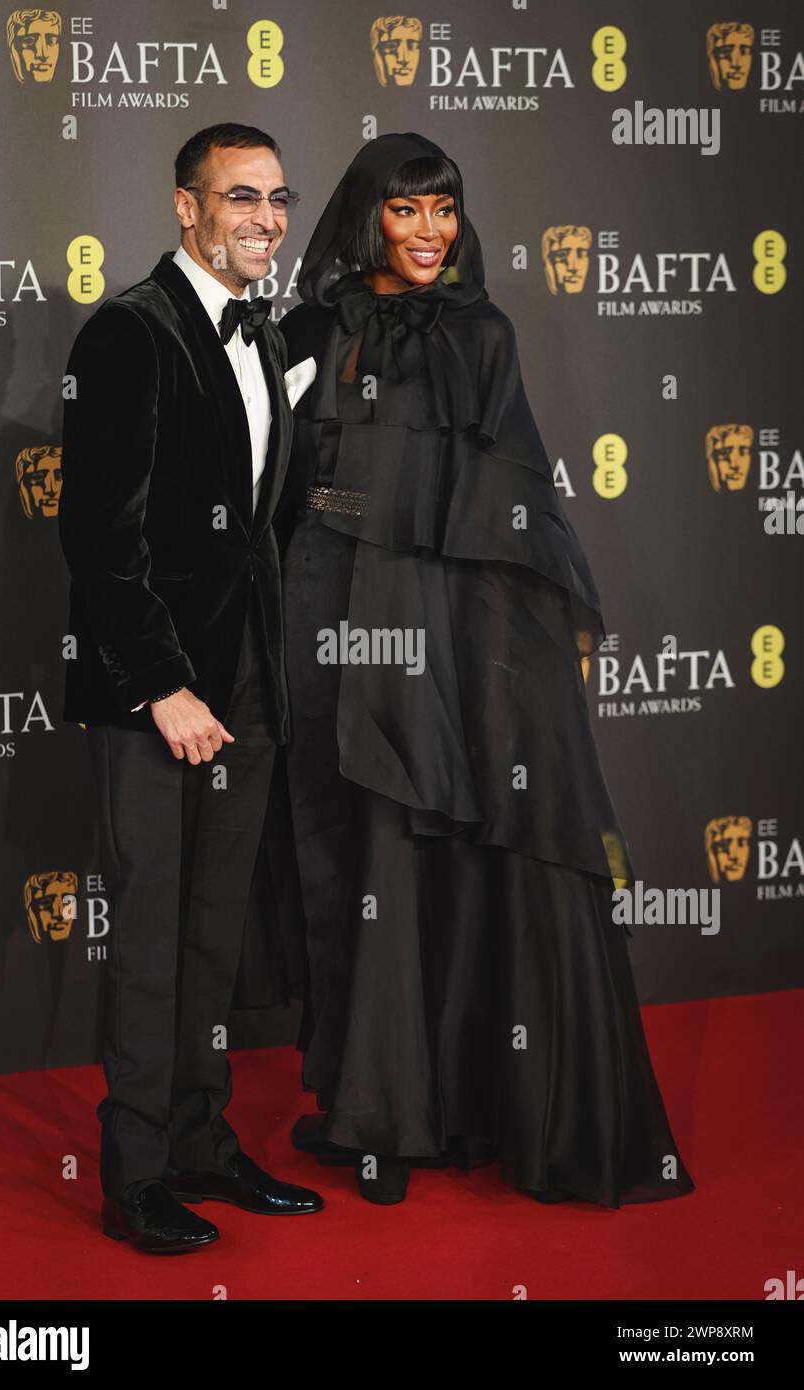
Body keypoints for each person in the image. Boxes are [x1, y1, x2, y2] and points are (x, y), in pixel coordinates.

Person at [278, 132, 695, 1209]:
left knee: (419, 844)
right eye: (406, 211)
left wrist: (533, 641)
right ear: (367, 216)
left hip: (438, 609)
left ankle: (417, 1111)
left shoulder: (484, 331)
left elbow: (513, 494)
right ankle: (365, 1105)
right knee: (345, 854)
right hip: (324, 604)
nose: (427, 232)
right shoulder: (308, 327)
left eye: (444, 210)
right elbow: (276, 478)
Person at [58, 122, 322, 1253]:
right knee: (155, 939)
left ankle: (203, 1139)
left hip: (245, 689)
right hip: (155, 698)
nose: (265, 217)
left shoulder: (260, 333)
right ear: (185, 207)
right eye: (240, 197)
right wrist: (163, 685)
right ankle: (137, 1174)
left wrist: (255, 674)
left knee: (212, 938)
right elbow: (97, 538)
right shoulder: (127, 330)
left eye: (277, 198)